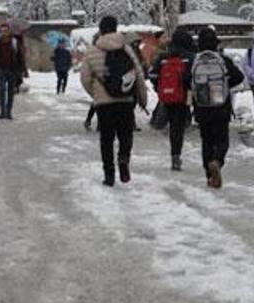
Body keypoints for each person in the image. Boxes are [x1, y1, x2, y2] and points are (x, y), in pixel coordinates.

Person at [81, 16, 148, 186]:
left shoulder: (92, 51)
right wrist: (142, 97)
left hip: (104, 104)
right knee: (126, 134)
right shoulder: (126, 49)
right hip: (125, 100)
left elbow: (85, 79)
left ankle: (109, 175)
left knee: (106, 139)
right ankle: (124, 159)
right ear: (116, 28)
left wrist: (96, 94)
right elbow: (138, 73)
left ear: (101, 30)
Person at [191, 27, 245, 187]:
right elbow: (239, 77)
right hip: (221, 107)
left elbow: (186, 81)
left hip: (202, 107)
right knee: (222, 140)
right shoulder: (223, 60)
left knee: (206, 141)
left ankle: (209, 175)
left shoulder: (195, 61)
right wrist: (225, 85)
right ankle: (217, 161)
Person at [150, 28, 196, 171]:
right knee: (178, 126)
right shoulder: (190, 57)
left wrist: (160, 89)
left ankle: (174, 153)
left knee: (172, 123)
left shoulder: (164, 57)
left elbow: (153, 75)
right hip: (184, 96)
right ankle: (176, 155)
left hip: (167, 96)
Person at [0, 23, 27, 120]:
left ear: (9, 31)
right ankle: (2, 111)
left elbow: (20, 57)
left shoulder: (14, 43)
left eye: (6, 30)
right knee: (2, 90)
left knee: (10, 91)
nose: (4, 32)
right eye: (2, 31)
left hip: (12, 70)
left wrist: (22, 69)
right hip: (1, 70)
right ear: (0, 32)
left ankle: (9, 111)